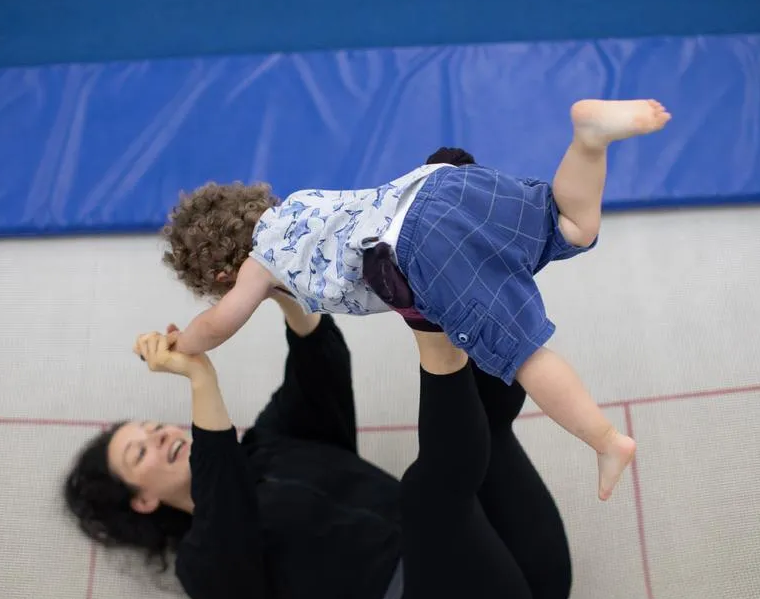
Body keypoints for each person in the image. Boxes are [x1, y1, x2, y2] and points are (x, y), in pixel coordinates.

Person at [63, 290, 573, 599]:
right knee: (432, 495)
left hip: (524, 575)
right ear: (143, 501)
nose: (161, 437)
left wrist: (276, 286)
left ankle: (469, 270)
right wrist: (199, 379)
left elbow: (317, 366)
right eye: (140, 453)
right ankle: (432, 331)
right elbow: (224, 499)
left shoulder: (272, 441)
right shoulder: (203, 566)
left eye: (154, 428)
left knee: (487, 424)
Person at [159, 99, 670, 501]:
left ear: (223, 273)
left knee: (522, 352)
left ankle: (606, 441)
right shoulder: (296, 205)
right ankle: (588, 141)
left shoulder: (259, 264)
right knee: (570, 226)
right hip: (443, 183)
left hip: (422, 245)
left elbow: (222, 323)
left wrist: (187, 341)